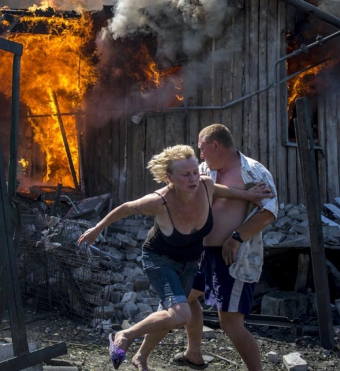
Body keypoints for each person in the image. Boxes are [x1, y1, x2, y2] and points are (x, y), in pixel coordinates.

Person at [77, 144, 271, 371]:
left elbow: (221, 190)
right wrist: (96, 229)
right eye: (185, 175)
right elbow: (125, 208)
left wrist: (247, 194)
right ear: (169, 177)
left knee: (178, 309)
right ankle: (124, 335)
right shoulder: (158, 201)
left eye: (195, 172)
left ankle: (172, 355)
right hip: (160, 260)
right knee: (179, 315)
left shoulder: (206, 186)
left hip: (190, 262)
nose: (193, 179)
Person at [184, 124, 278, 371]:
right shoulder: (204, 170)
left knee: (230, 323)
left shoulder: (254, 172)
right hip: (200, 254)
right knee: (186, 298)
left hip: (233, 257)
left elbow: (269, 211)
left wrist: (236, 237)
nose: (201, 155)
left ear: (215, 146)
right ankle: (193, 353)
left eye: (203, 149)